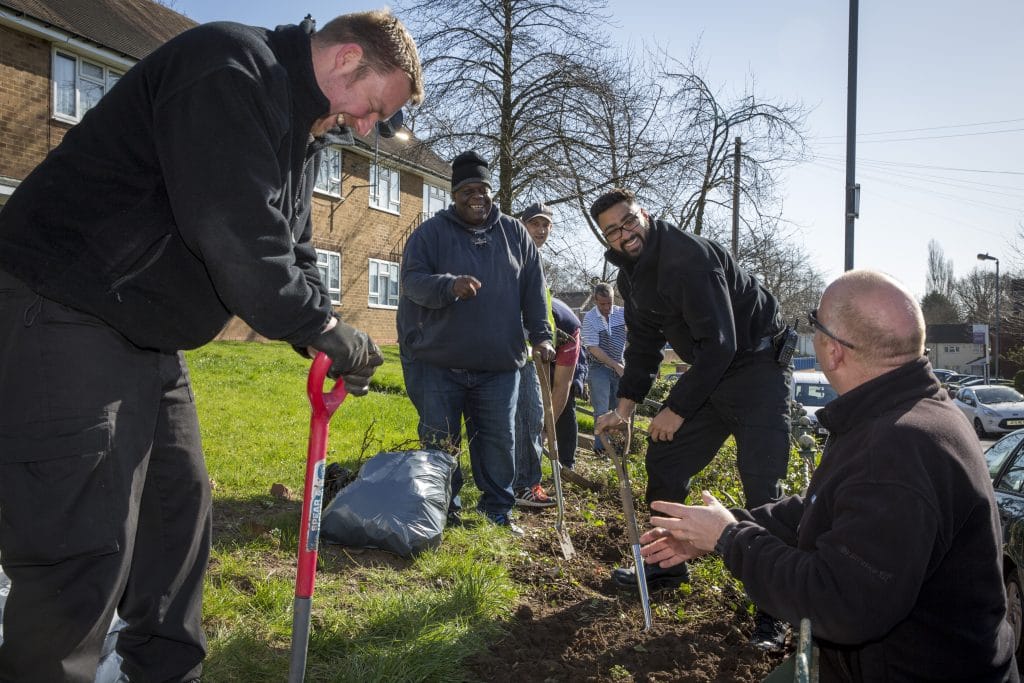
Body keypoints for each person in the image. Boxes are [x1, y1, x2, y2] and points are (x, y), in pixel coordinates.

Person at [0, 11, 422, 682]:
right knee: (82, 542)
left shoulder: (299, 132)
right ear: (346, 60)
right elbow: (233, 229)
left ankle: (165, 672)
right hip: (66, 306)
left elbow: (295, 249)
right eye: (374, 108)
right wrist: (315, 327)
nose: (367, 127)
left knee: (177, 515)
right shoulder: (230, 69)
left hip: (147, 337)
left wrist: (331, 330)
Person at [639, 270, 1019, 682]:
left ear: (833, 351)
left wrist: (730, 539)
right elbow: (825, 509)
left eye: (815, 322)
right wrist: (721, 527)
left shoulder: (897, 448)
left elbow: (841, 603)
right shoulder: (909, 411)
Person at [590, 187, 792, 650]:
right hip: (712, 376)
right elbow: (642, 348)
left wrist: (676, 408)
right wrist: (623, 412)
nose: (625, 234)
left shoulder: (688, 258)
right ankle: (666, 565)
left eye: (629, 221)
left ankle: (773, 613)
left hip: (757, 371)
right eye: (613, 231)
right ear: (607, 239)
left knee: (762, 486)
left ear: (646, 213)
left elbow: (721, 343)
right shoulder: (631, 280)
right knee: (665, 461)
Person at [397, 152, 554, 536]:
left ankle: (497, 512)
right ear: (454, 195)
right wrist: (448, 286)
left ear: (491, 191)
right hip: (438, 363)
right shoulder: (430, 234)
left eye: (482, 189)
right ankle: (441, 508)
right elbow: (412, 282)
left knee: (499, 442)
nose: (476, 196)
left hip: (499, 365)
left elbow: (534, 289)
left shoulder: (515, 233)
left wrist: (542, 335)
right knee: (439, 441)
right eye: (467, 190)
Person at [512, 202, 581, 508]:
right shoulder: (509, 254)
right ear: (521, 224)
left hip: (533, 351)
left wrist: (546, 427)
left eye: (546, 225)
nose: (540, 231)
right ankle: (511, 482)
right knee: (508, 418)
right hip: (507, 347)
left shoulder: (570, 336)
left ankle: (526, 483)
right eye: (534, 224)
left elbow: (562, 387)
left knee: (531, 415)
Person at [581, 282, 627, 455]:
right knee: (601, 409)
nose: (607, 307)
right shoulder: (590, 319)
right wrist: (615, 365)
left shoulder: (622, 314)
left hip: (620, 365)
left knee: (619, 408)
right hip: (598, 367)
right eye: (602, 304)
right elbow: (593, 348)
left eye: (609, 303)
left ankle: (620, 447)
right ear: (595, 301)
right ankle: (601, 450)